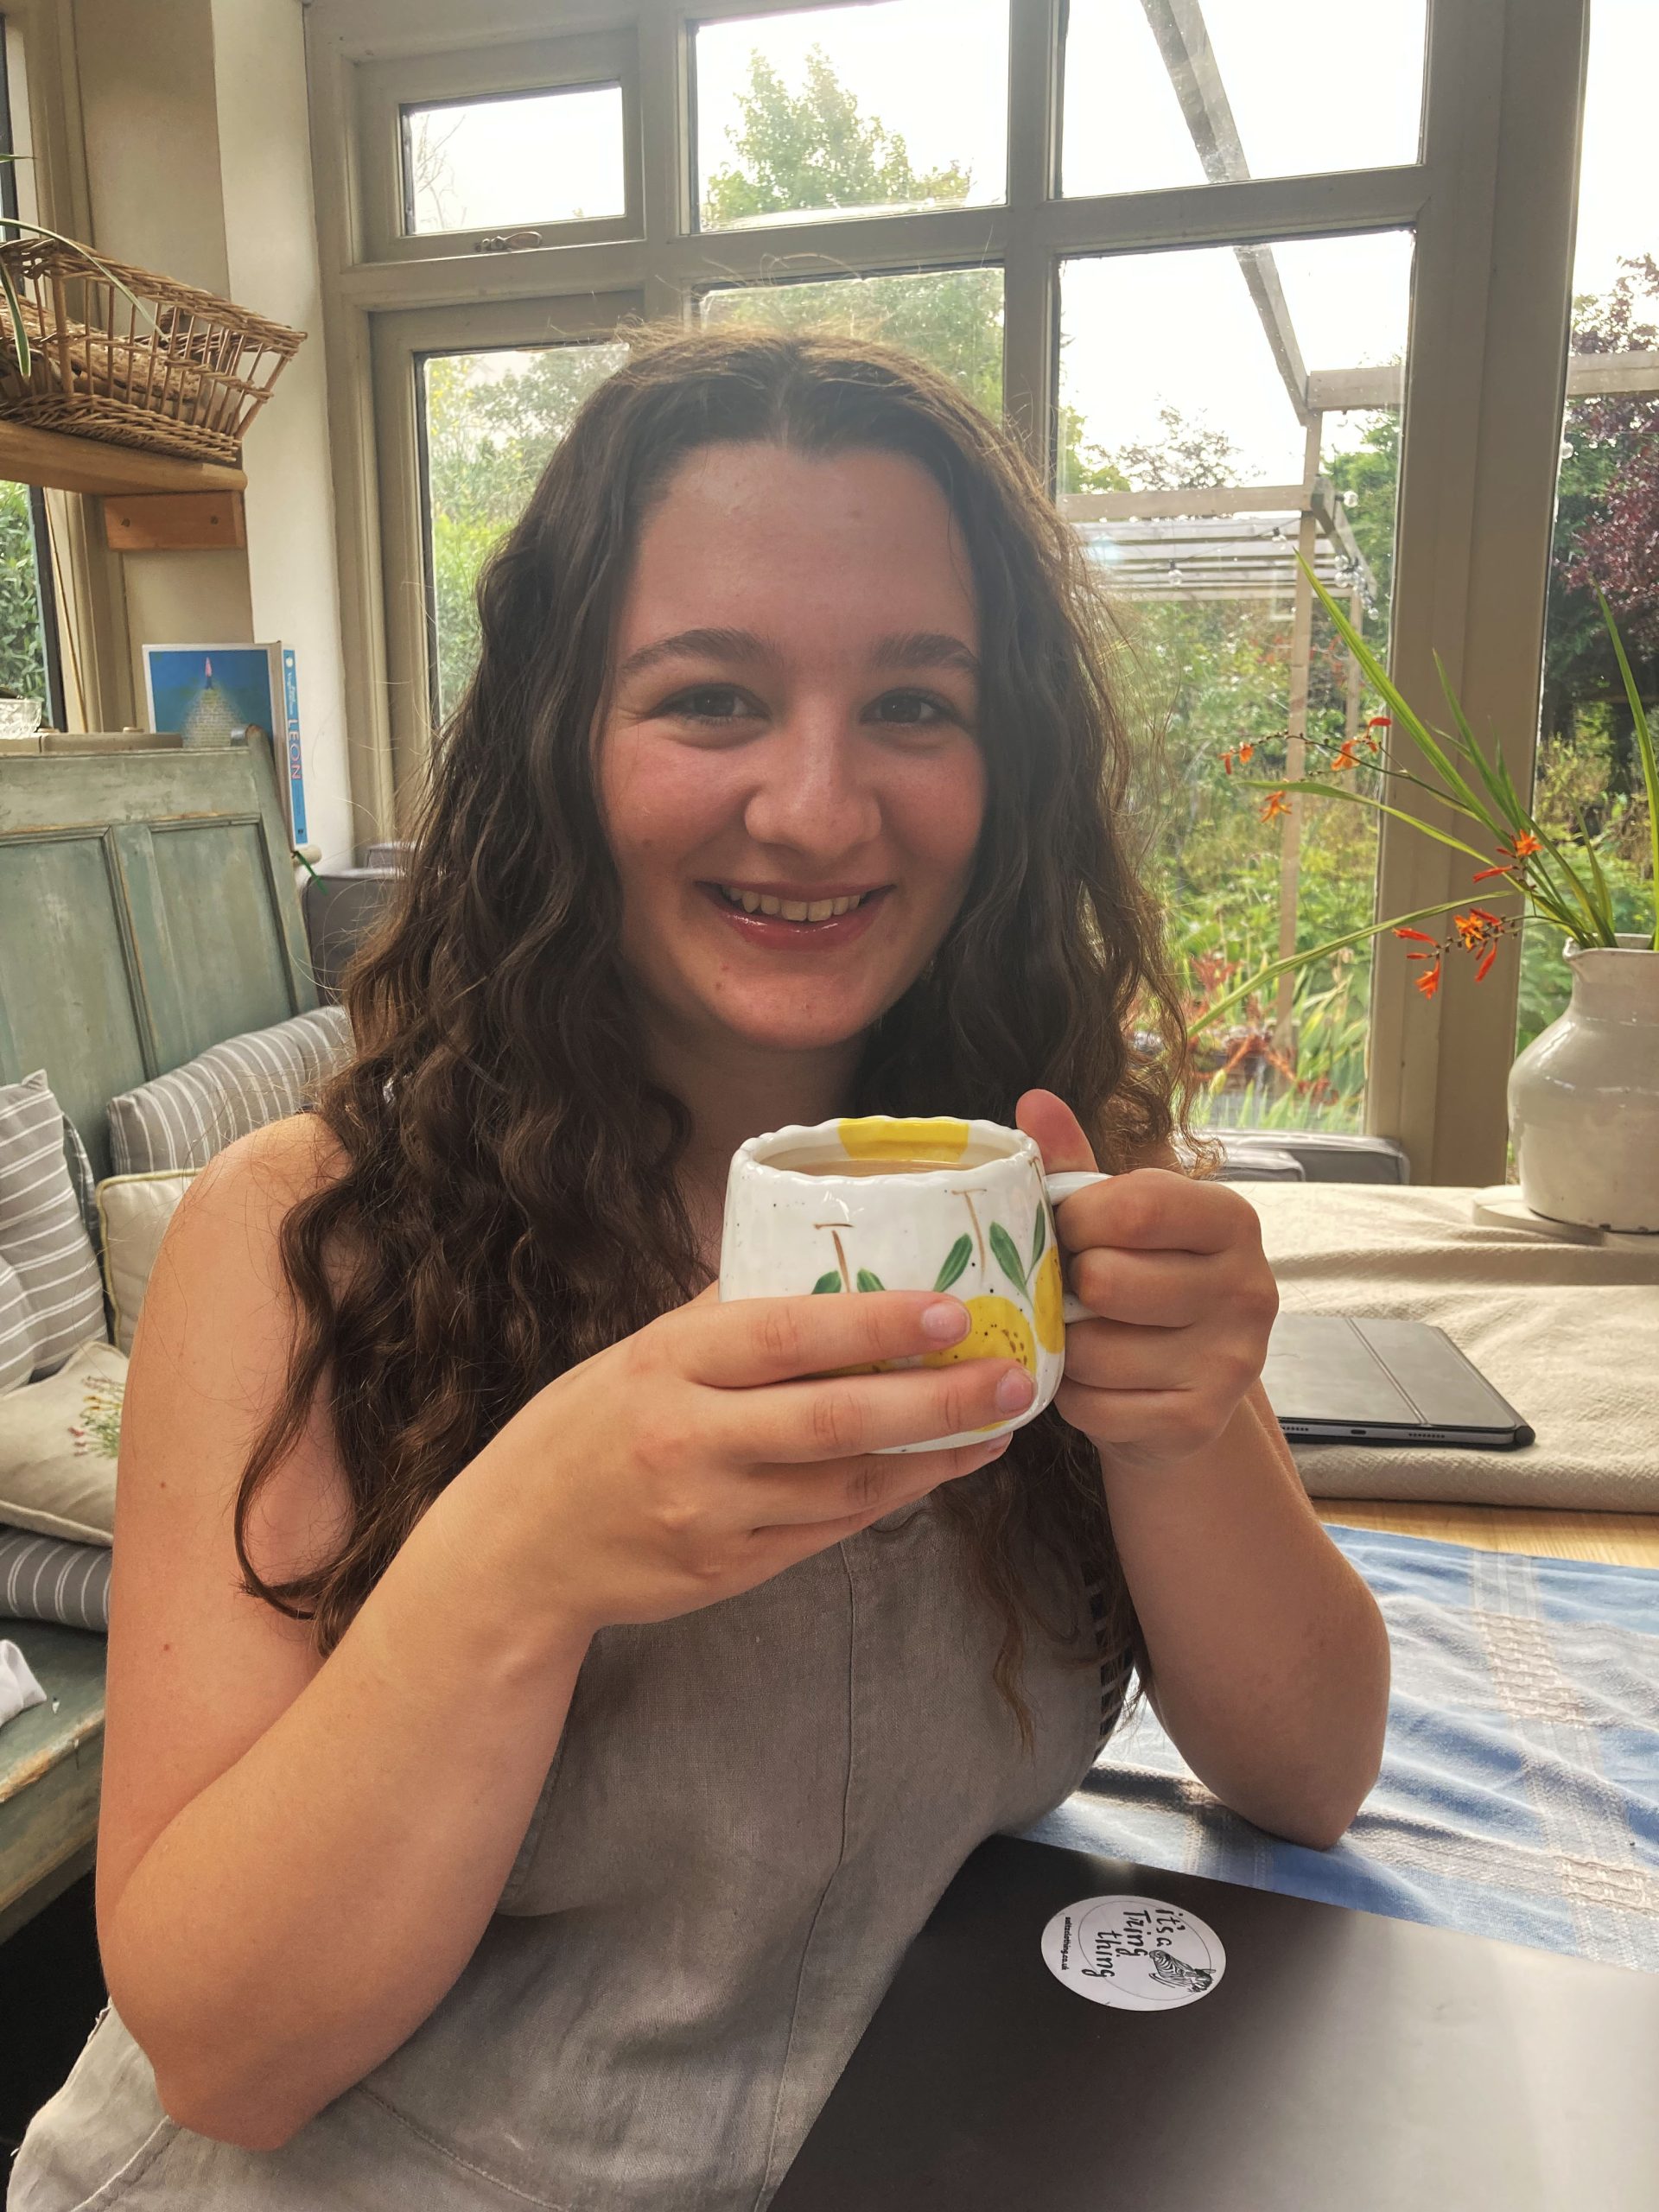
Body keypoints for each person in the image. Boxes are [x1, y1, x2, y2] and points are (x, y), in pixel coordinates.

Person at [11, 329, 1389, 2211]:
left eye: (916, 707)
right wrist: (515, 1562)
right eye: (711, 701)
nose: (820, 809)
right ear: (561, 742)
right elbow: (226, 2058)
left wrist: (1186, 1421)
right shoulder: (307, 1233)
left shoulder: (1049, 1183)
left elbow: (1310, 1770)